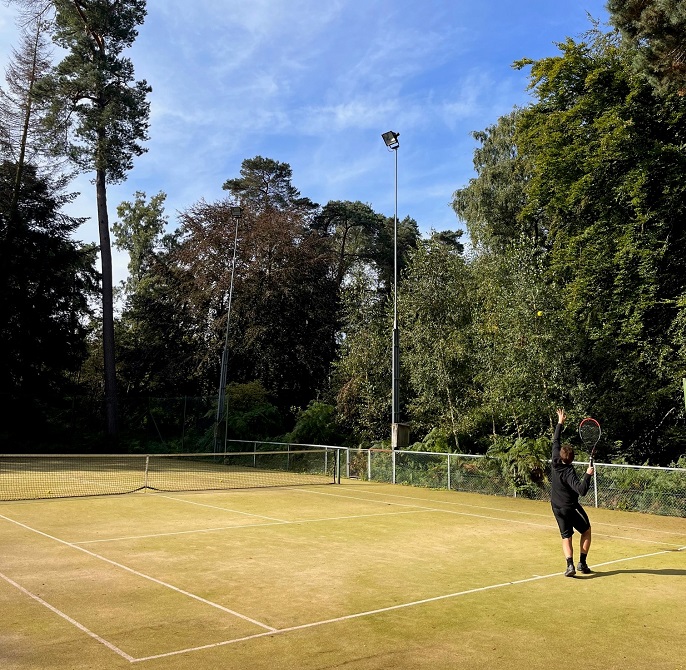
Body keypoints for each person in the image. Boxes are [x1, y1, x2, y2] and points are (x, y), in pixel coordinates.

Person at [551, 408, 594, 576]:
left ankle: (570, 566)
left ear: (561, 454)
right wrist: (588, 475)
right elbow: (582, 490)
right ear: (571, 459)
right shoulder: (569, 472)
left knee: (566, 536)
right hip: (570, 507)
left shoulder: (555, 459)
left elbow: (556, 439)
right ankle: (581, 564)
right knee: (587, 530)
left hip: (556, 506)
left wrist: (560, 422)